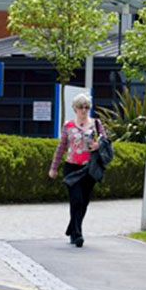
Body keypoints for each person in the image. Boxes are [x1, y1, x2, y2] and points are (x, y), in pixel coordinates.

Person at [48, 93, 105, 248]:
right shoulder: (68, 126)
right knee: (76, 199)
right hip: (72, 166)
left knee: (84, 201)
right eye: (80, 107)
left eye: (86, 107)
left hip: (89, 168)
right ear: (74, 108)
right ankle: (77, 234)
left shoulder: (95, 124)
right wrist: (54, 168)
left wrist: (98, 145)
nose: (84, 110)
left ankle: (72, 227)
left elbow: (104, 141)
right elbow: (61, 147)